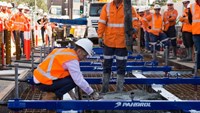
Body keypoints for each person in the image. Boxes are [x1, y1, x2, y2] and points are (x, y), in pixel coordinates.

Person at [33, 38, 99, 100]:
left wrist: (72, 95)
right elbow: (78, 80)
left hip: (39, 78)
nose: (84, 58)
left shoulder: (65, 52)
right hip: (44, 83)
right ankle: (52, 95)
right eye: (84, 55)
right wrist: (91, 92)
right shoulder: (72, 60)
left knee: (71, 77)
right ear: (79, 51)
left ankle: (52, 93)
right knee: (74, 81)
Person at [98, 0, 138, 93]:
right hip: (109, 42)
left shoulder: (129, 8)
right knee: (106, 66)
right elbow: (102, 22)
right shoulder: (107, 7)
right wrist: (100, 36)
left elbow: (135, 21)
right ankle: (104, 89)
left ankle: (119, 90)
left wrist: (134, 30)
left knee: (121, 67)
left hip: (122, 42)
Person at [188, 0, 200, 74]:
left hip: (196, 32)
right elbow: (190, 19)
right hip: (196, 33)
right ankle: (197, 66)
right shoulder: (192, 6)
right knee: (199, 50)